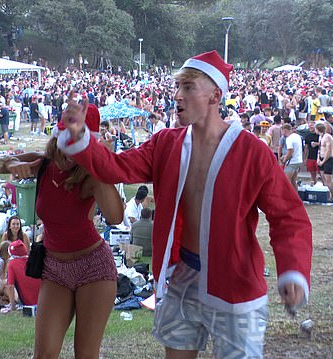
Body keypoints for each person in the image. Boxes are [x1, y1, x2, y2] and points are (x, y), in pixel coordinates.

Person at [56, 51, 312, 358]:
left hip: (236, 284)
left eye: (188, 87)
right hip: (180, 277)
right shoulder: (166, 143)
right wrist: (81, 137)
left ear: (215, 94)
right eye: (177, 86)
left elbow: (289, 217)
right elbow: (115, 168)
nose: (177, 95)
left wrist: (293, 271)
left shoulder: (251, 152)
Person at [0, 104, 124, 358]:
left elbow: (115, 216)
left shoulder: (91, 175)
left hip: (94, 267)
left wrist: (99, 164)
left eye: (79, 146)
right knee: (43, 354)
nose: (70, 152)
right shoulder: (43, 164)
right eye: (66, 141)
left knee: (86, 353)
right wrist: (11, 162)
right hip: (55, 268)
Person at [3, 240, 41, 313]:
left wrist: (12, 305)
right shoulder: (35, 260)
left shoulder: (12, 264)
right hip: (44, 301)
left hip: (28, 302)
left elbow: (10, 286)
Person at [316, 122, 333, 202]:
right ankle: (327, 195)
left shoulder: (328, 137)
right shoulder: (320, 137)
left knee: (329, 180)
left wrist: (323, 161)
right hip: (321, 157)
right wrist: (318, 158)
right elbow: (320, 148)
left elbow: (329, 151)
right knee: (323, 179)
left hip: (328, 159)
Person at [280, 123, 304, 190]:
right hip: (298, 160)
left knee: (285, 181)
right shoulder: (297, 136)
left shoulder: (289, 139)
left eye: (282, 131)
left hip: (292, 162)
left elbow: (290, 152)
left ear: (284, 130)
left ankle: (286, 198)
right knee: (293, 181)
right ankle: (296, 197)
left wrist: (284, 161)